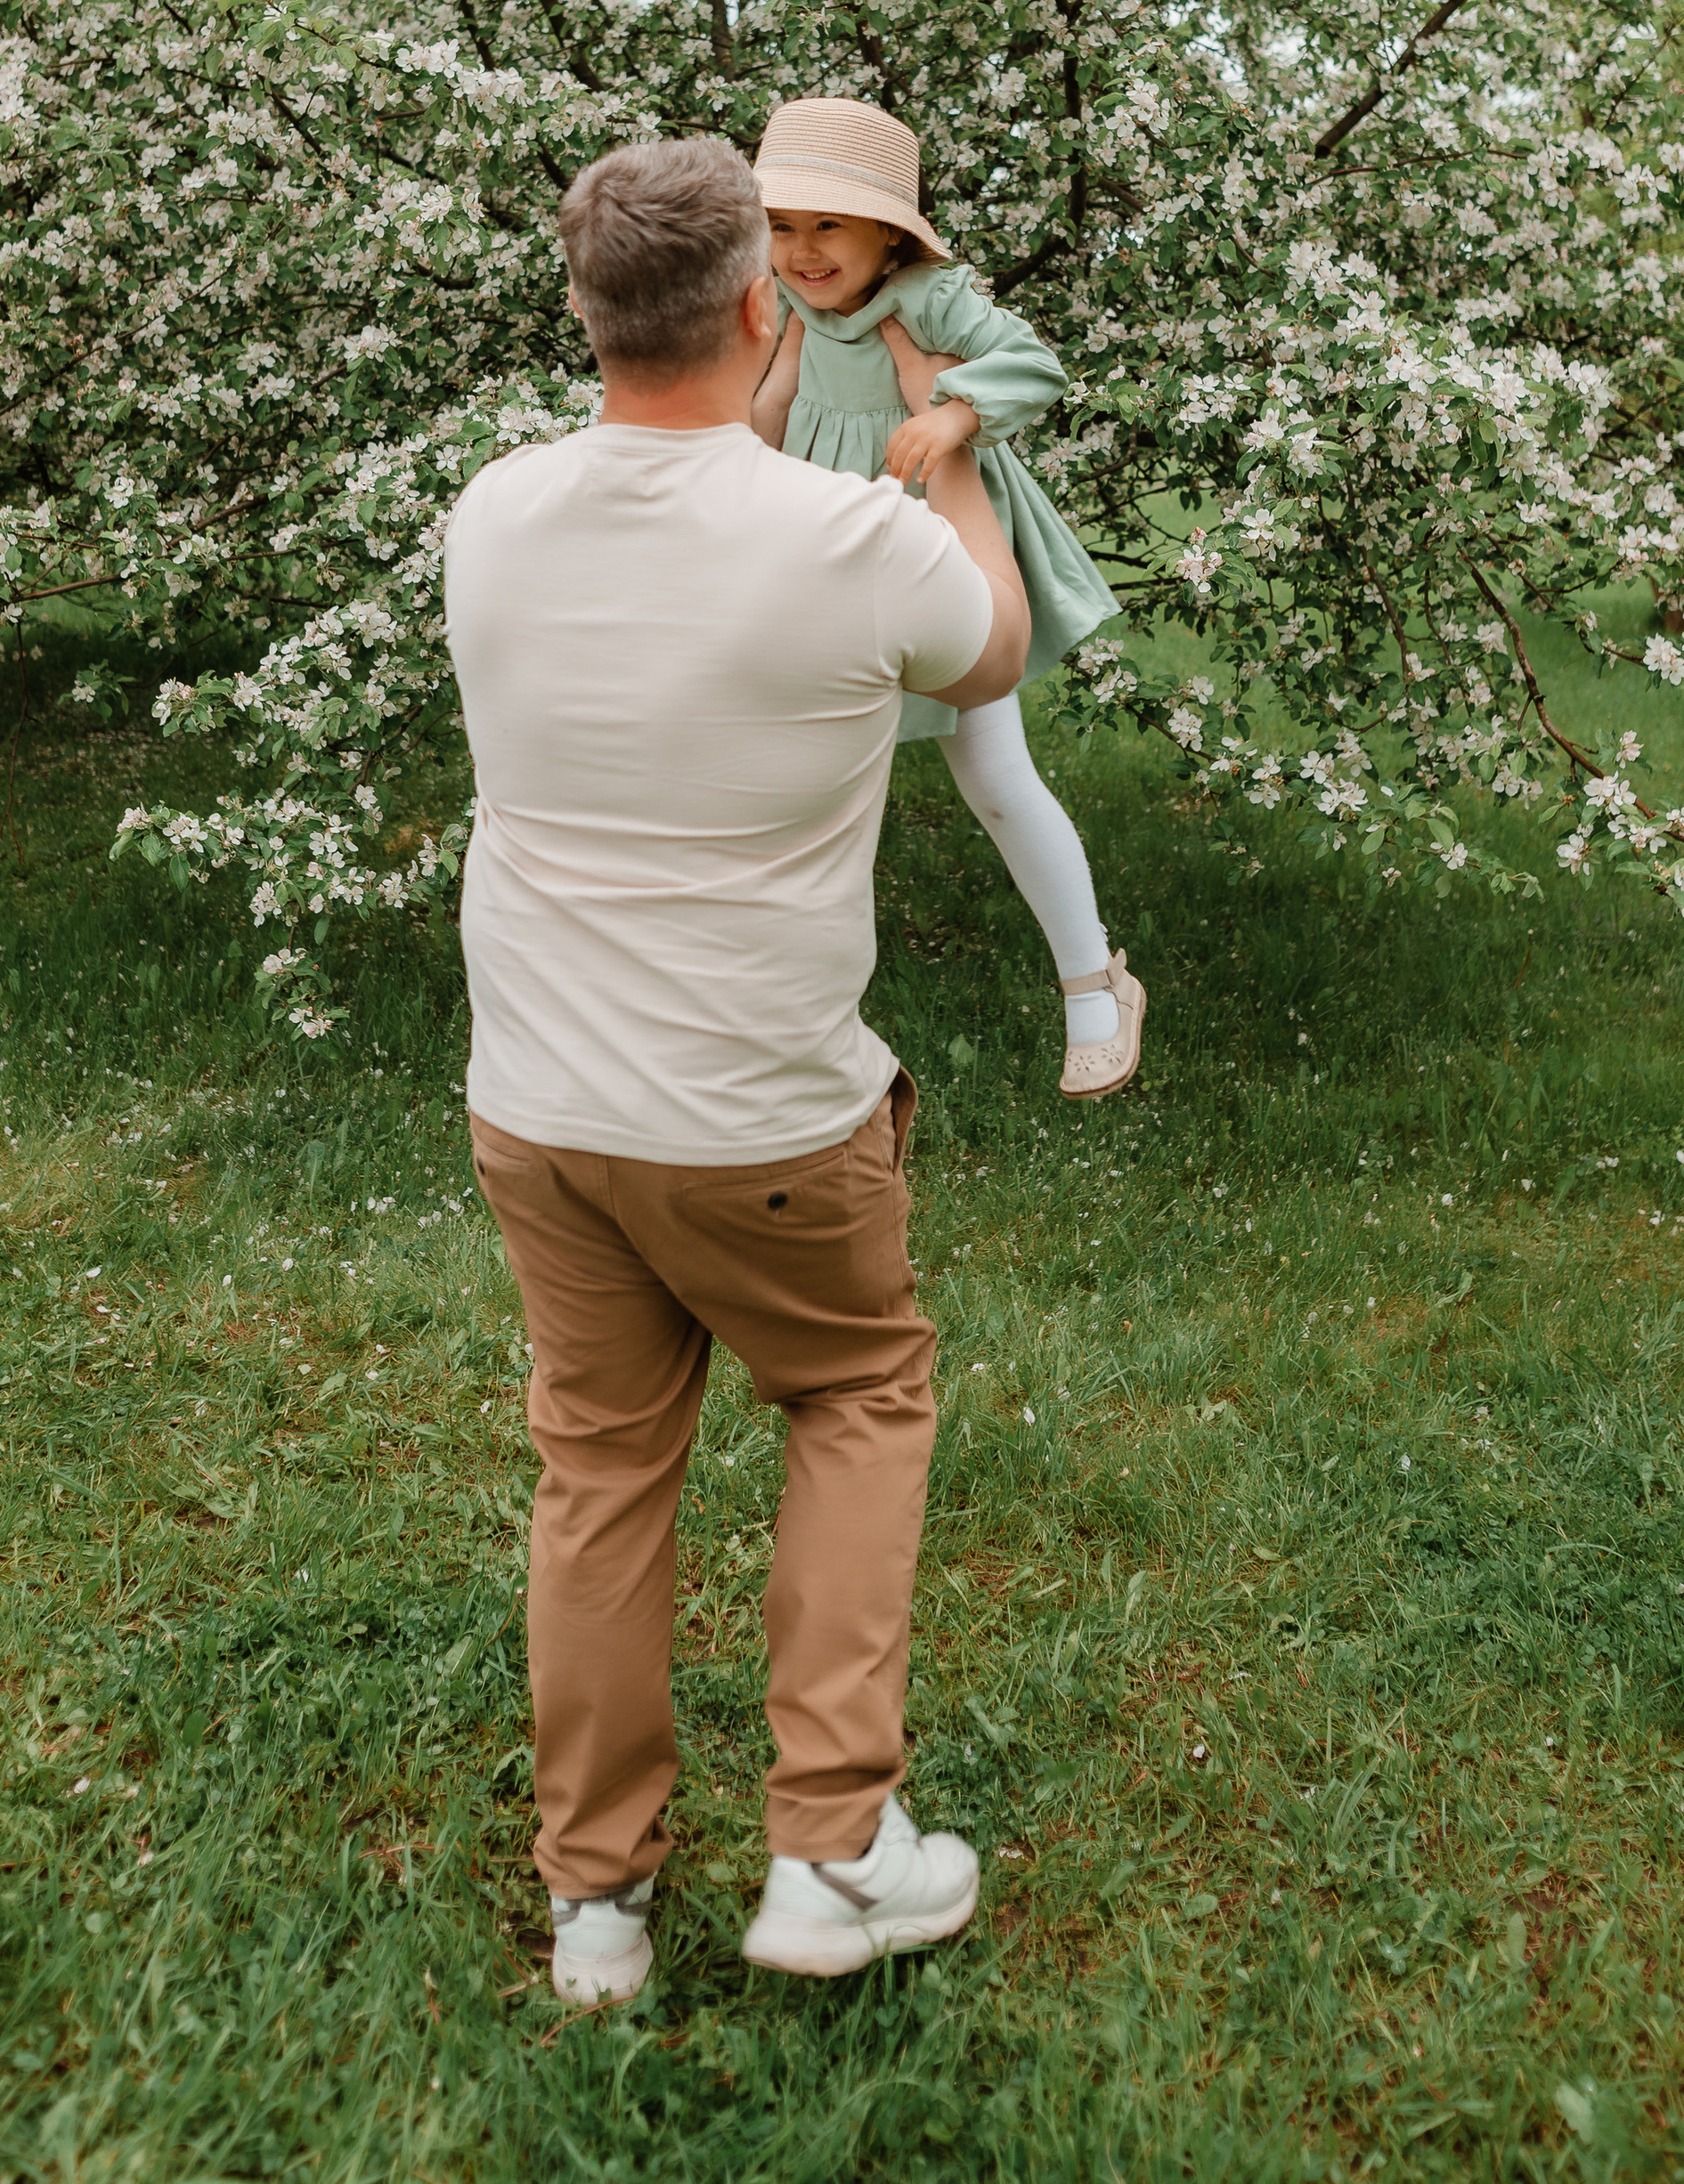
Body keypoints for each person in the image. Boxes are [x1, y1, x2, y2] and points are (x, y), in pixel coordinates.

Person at [442, 134, 1032, 2006]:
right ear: (763, 303)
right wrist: (953, 443)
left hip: (541, 1105)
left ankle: (597, 1906)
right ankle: (833, 1848)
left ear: (582, 310)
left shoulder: (494, 511)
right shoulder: (853, 541)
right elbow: (990, 652)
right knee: (856, 1391)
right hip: (763, 1115)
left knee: (600, 1472)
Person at [748, 96, 1144, 1102]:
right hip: (827, 552)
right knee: (820, 781)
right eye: (782, 225)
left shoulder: (929, 299)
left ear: (891, 233)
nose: (802, 250)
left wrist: (955, 414)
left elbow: (1037, 365)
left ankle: (1093, 979)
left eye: (828, 224)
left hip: (940, 546)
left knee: (997, 774)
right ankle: (788, 1011)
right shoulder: (782, 303)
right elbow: (762, 413)